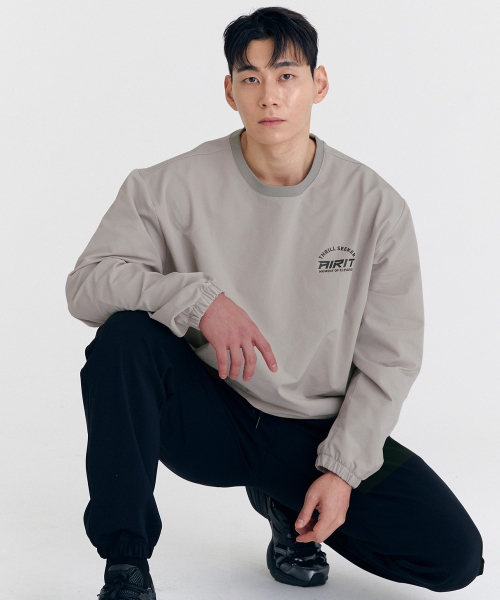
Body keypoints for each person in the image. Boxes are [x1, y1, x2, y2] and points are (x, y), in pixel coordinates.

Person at [65, 7, 485, 599]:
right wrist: (198, 299)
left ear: (319, 83)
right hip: (212, 416)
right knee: (124, 339)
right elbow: (86, 286)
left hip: (313, 436)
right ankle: (126, 566)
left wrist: (341, 470)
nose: (269, 95)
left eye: (286, 75)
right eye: (251, 77)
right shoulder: (165, 187)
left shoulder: (375, 206)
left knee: (455, 558)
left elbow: (389, 360)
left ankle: (285, 504)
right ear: (230, 91)